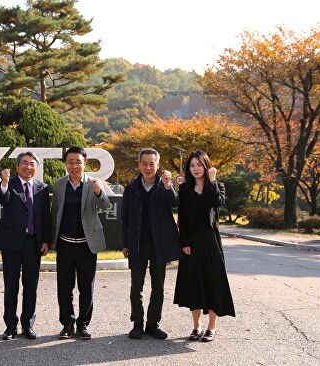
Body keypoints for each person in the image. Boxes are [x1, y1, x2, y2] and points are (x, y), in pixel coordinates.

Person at [174, 150, 235, 342]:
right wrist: (184, 242)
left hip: (210, 239)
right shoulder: (185, 189)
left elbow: (217, 202)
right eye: (192, 165)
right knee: (194, 283)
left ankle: (211, 327)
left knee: (212, 281)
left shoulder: (217, 186)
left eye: (199, 165)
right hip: (191, 240)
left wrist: (212, 180)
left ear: (206, 166)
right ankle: (196, 326)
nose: (195, 169)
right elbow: (182, 217)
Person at [121, 147, 181, 340]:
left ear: (158, 165)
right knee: (136, 287)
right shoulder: (131, 188)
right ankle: (137, 324)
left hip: (159, 244)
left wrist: (168, 185)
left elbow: (175, 203)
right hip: (137, 244)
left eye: (152, 164)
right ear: (139, 165)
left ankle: (153, 324)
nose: (148, 167)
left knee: (158, 287)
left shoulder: (164, 186)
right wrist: (125, 244)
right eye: (144, 163)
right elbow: (125, 218)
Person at [51, 146, 110, 339]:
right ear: (65, 164)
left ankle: (83, 324)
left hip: (87, 245)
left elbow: (105, 205)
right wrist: (51, 239)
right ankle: (67, 324)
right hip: (65, 244)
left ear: (85, 163)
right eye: (70, 162)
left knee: (86, 287)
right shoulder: (59, 184)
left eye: (78, 162)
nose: (74, 166)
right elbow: (55, 212)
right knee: (64, 287)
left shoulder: (93, 184)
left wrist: (99, 192)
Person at [0, 152, 51, 340]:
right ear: (18, 166)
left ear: (37, 167)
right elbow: (1, 199)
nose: (28, 167)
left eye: (32, 163)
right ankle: (10, 326)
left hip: (33, 243)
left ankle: (28, 324)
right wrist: (4, 182)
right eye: (24, 163)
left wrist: (46, 240)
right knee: (11, 285)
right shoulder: (9, 184)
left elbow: (45, 216)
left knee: (31, 286)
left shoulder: (42, 188)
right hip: (11, 243)